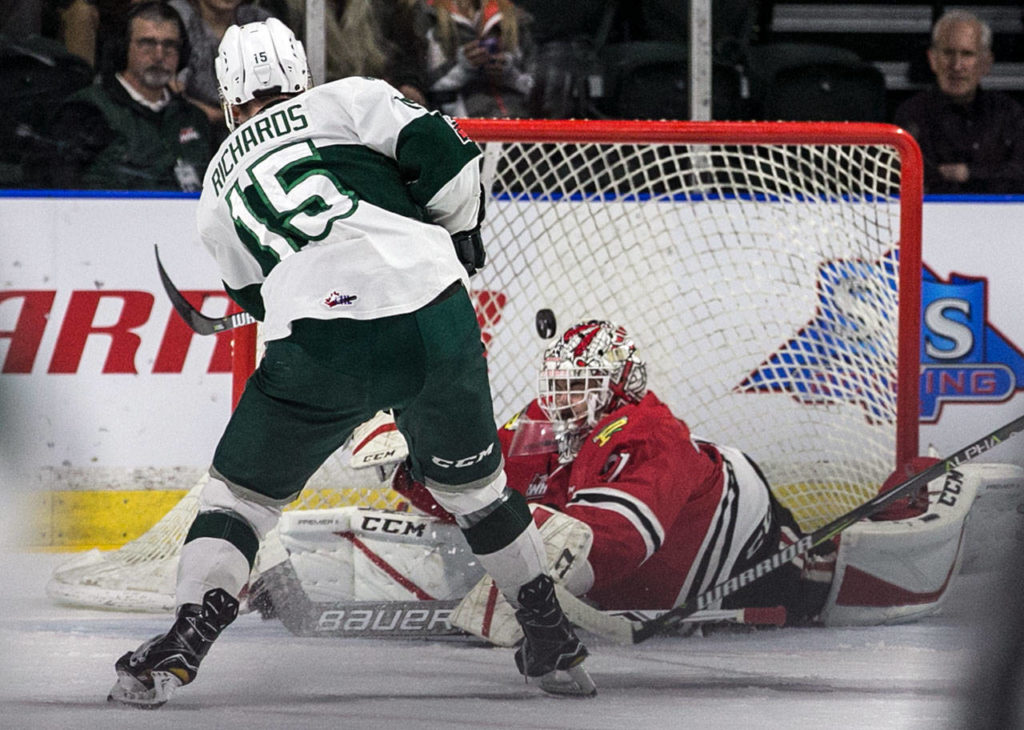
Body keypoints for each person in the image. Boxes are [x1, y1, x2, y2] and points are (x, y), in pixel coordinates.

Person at [107, 17, 591, 708]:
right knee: (477, 493)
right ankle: (551, 637)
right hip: (433, 315)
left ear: (229, 92)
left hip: (319, 343)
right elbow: (448, 157)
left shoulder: (216, 183)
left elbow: (252, 294)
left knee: (238, 502)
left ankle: (186, 637)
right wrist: (462, 234)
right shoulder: (346, 98)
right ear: (299, 72)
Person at [393, 319, 833, 623]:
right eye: (556, 387)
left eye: (577, 388)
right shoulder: (544, 423)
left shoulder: (646, 431)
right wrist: (413, 461)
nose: (560, 402)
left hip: (751, 543)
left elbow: (617, 538)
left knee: (810, 584)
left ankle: (831, 563)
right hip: (671, 551)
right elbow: (482, 479)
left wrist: (531, 587)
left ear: (617, 391)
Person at [33, 1, 212, 191]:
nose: (159, 55)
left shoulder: (193, 118)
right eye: (147, 43)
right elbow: (62, 194)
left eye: (170, 45)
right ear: (123, 47)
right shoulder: (85, 110)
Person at [894, 10, 1024, 194]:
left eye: (967, 54)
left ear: (986, 62)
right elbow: (906, 179)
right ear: (932, 59)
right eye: (948, 53)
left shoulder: (1009, 114)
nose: (956, 65)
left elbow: (1019, 174)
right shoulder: (912, 114)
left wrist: (969, 174)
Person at [279, 0, 429, 106]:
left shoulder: (382, 7)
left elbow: (405, 51)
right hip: (314, 99)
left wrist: (408, 83)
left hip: (372, 96)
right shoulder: (284, 9)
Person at [167, 0, 275, 133]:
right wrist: (224, 116)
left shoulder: (258, 20)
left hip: (253, 124)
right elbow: (172, 89)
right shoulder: (180, 17)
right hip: (191, 127)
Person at [420, 0, 536, 118]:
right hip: (461, 124)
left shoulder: (514, 16)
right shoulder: (427, 15)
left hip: (520, 121)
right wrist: (463, 68)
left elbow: (537, 85)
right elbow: (422, 86)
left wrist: (509, 73)